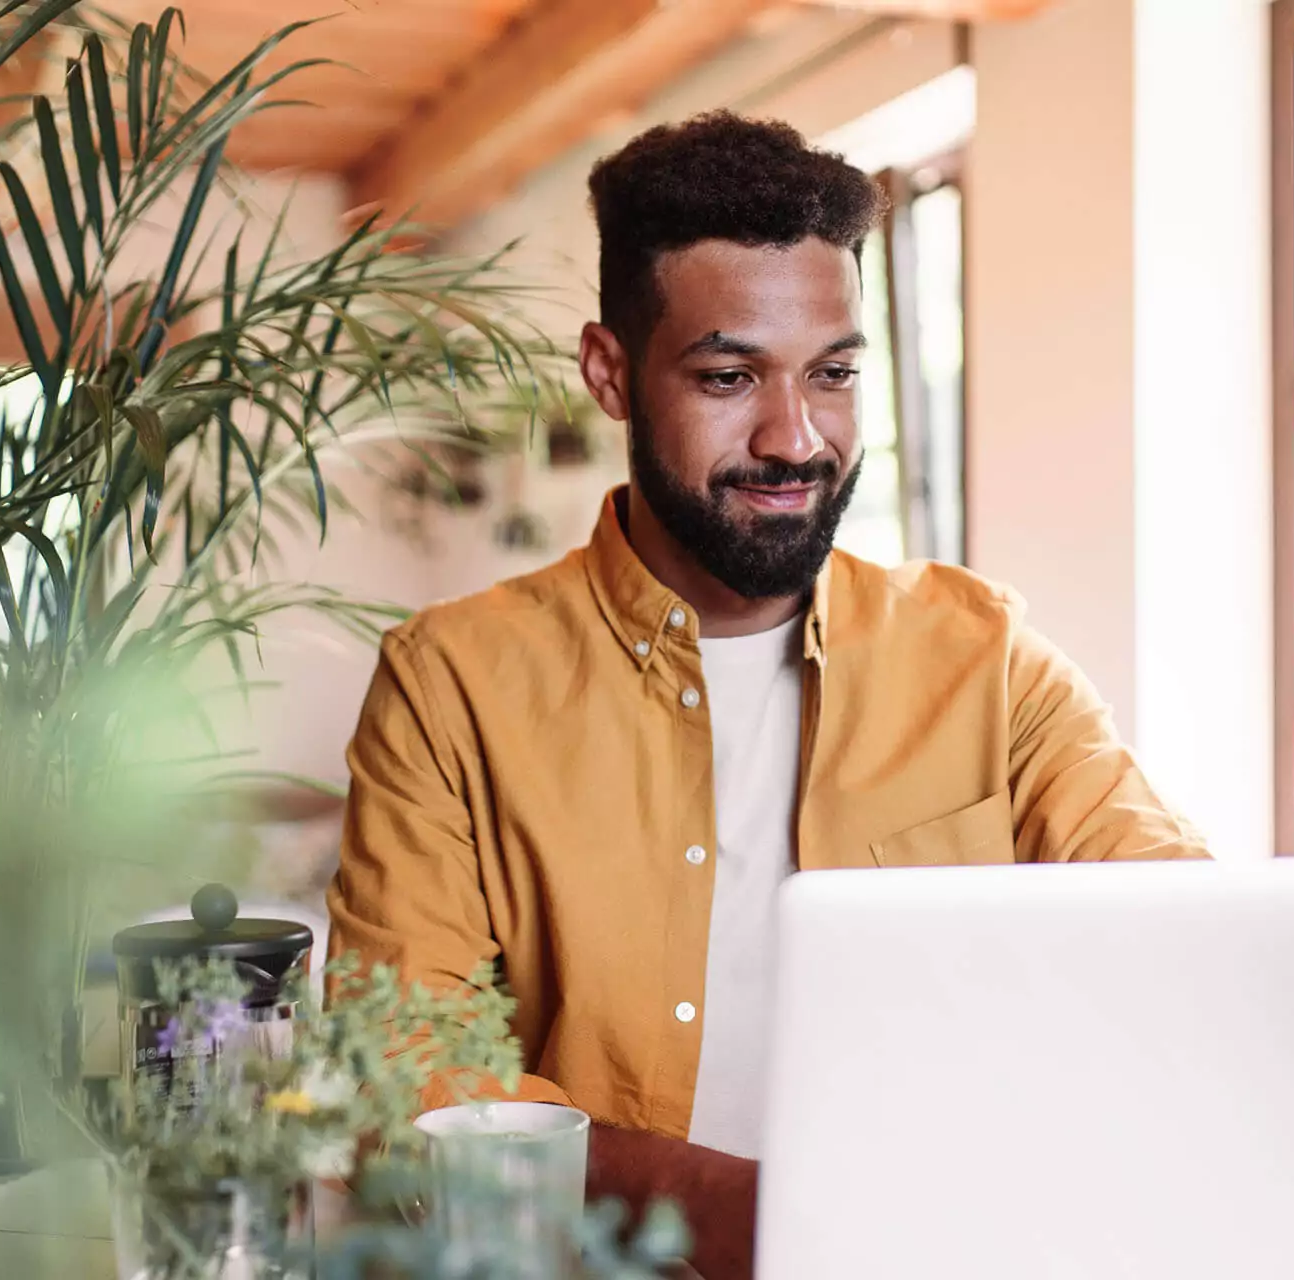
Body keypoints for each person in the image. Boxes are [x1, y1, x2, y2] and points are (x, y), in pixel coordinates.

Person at [327, 111, 1207, 1279]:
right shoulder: (450, 686)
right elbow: (407, 1073)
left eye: (835, 373)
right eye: (730, 375)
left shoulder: (986, 659)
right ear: (611, 373)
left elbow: (1180, 941)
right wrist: (723, 1203)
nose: (796, 438)